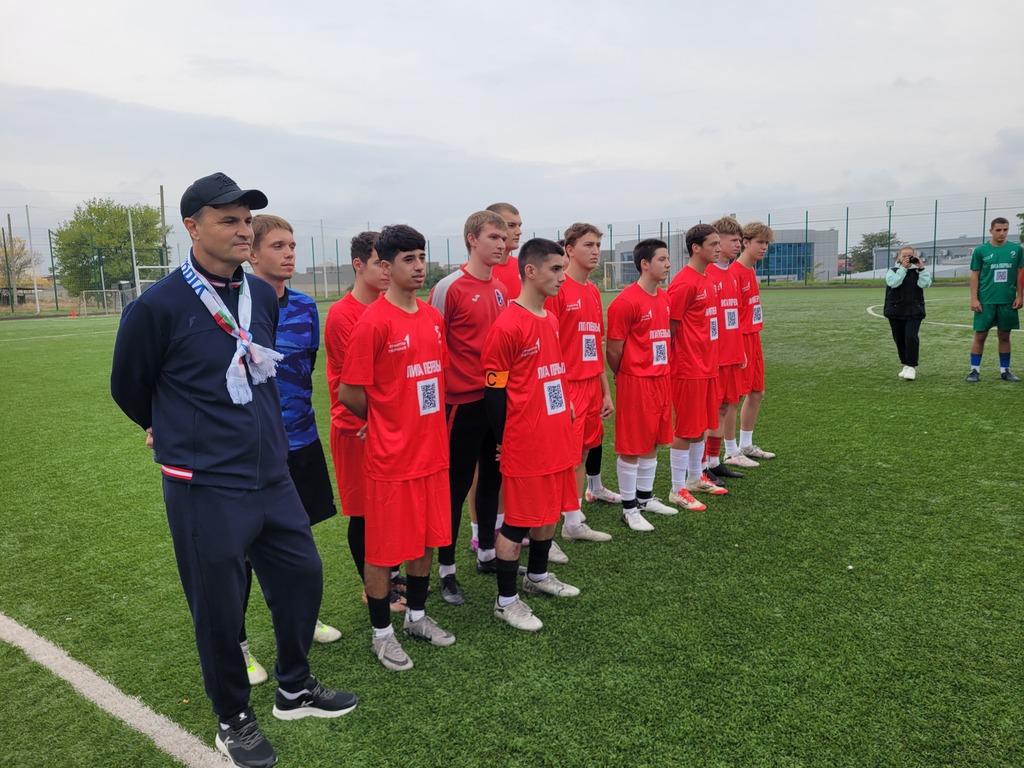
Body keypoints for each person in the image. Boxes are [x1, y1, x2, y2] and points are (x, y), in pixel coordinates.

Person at [111, 173, 357, 768]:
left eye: (247, 220)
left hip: (271, 472)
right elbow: (129, 386)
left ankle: (294, 687)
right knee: (219, 606)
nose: (244, 230)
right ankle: (233, 718)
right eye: (229, 220)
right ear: (192, 228)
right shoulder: (158, 305)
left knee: (302, 575)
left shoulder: (262, 296)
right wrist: (175, 429)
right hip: (205, 482)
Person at [338, 224, 455, 672]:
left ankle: (417, 618)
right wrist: (383, 419)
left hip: (432, 452)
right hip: (391, 459)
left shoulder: (431, 318)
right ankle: (382, 635)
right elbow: (350, 391)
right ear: (385, 267)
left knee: (427, 540)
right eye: (409, 259)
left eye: (421, 256)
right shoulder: (373, 322)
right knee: (383, 551)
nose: (419, 266)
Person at [237, 214, 341, 687]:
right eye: (278, 246)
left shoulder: (304, 306)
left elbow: (306, 367)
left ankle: (302, 617)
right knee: (240, 551)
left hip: (301, 441)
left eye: (292, 245)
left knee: (298, 541)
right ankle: (237, 645)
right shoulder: (234, 307)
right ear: (252, 253)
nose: (289, 254)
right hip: (250, 451)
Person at [482, 238, 581, 632]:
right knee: (517, 523)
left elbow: (551, 373)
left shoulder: (550, 319)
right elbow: (493, 391)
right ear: (530, 271)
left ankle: (537, 576)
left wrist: (566, 406)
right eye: (555, 269)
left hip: (555, 434)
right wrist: (503, 439)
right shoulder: (507, 325)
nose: (562, 277)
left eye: (562, 269)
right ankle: (506, 602)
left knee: (549, 511)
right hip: (525, 440)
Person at [429, 210, 513, 605]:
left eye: (504, 238)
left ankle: (487, 554)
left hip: (494, 401)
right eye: (493, 237)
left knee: (493, 479)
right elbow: (433, 344)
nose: (501, 244)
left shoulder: (500, 288)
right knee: (455, 487)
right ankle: (446, 570)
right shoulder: (449, 287)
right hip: (459, 405)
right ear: (472, 240)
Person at [323, 232, 407, 613]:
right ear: (358, 265)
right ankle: (373, 587)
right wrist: (378, 419)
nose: (386, 271)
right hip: (354, 428)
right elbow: (353, 384)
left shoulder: (394, 308)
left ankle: (392, 574)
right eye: (378, 264)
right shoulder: (343, 315)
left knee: (390, 506)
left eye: (389, 263)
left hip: (391, 426)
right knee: (365, 511)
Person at [545, 222, 616, 544]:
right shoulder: (558, 289)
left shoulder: (593, 291)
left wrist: (605, 392)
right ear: (570, 250)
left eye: (598, 245)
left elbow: (594, 346)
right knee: (566, 459)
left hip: (591, 385)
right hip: (568, 386)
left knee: (585, 452)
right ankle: (564, 523)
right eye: (588, 245)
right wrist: (562, 394)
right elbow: (548, 348)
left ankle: (573, 518)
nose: (596, 251)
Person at [605, 238, 676, 531]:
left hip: (661, 379)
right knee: (632, 444)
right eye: (662, 259)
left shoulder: (665, 298)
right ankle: (629, 508)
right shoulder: (625, 302)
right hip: (636, 381)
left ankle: (645, 499)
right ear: (644, 264)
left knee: (653, 440)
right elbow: (613, 350)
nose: (668, 264)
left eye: (668, 259)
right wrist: (626, 373)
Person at [666, 224, 727, 509]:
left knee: (701, 425)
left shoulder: (707, 278)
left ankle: (695, 477)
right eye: (713, 244)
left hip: (707, 365)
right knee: (685, 429)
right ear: (696, 248)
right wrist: (681, 358)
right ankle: (677, 489)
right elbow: (669, 328)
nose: (719, 248)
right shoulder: (684, 283)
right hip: (688, 367)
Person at [725, 222, 776, 465]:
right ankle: (730, 450)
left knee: (757, 392)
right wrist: (736, 346)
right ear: (746, 242)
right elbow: (730, 316)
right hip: (740, 339)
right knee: (733, 397)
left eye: (766, 243)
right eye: (760, 242)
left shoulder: (750, 271)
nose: (764, 247)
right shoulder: (733, 273)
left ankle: (746, 444)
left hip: (754, 337)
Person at [703, 217, 747, 485]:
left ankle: (713, 460)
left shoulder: (732, 274)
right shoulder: (706, 274)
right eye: (733, 240)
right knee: (708, 411)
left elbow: (735, 318)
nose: (738, 245)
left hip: (731, 354)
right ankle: (700, 466)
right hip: (712, 357)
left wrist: (740, 350)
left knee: (724, 407)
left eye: (739, 240)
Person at [966, 217, 1023, 382]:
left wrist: (1020, 295)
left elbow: (1020, 273)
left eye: (1005, 229)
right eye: (998, 230)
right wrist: (974, 299)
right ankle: (974, 371)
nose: (1002, 233)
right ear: (991, 231)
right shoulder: (981, 250)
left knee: (1004, 336)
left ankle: (1005, 371)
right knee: (980, 335)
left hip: (1007, 300)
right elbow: (975, 275)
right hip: (986, 300)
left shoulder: (1016, 249)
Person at [884, 246, 933, 381]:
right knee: (899, 338)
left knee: (911, 337)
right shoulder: (893, 271)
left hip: (914, 310)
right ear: (899, 257)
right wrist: (903, 269)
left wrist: (921, 268)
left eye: (909, 256)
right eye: (904, 256)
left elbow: (925, 284)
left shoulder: (918, 271)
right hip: (895, 310)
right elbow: (893, 283)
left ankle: (911, 366)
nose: (907, 258)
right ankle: (905, 363)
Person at [487, 202, 523, 300]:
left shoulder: (524, 268)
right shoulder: (475, 273)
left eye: (519, 225)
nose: (519, 232)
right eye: (511, 225)